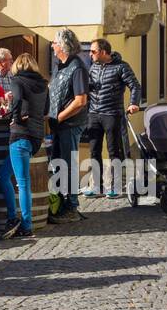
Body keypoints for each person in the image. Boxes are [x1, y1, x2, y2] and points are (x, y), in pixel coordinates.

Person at [83, 40, 142, 199]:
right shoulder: (93, 67)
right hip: (94, 114)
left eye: (93, 51)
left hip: (112, 114)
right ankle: (96, 187)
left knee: (114, 151)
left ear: (103, 52)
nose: (90, 54)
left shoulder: (121, 66)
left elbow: (135, 86)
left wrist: (133, 104)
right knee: (94, 151)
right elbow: (87, 87)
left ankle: (115, 187)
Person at [0, 52, 48, 240]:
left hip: (20, 135)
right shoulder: (43, 83)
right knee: (2, 175)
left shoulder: (17, 80)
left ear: (17, 66)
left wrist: (15, 118)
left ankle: (26, 225)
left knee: (23, 183)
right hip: (36, 137)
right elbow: (45, 110)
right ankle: (13, 217)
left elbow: (17, 100)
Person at [48, 29, 89, 222]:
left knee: (68, 165)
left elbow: (80, 100)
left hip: (70, 124)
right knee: (58, 165)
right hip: (58, 125)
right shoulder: (60, 66)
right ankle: (60, 203)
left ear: (63, 45)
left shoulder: (77, 67)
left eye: (54, 43)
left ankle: (71, 207)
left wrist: (60, 117)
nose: (52, 46)